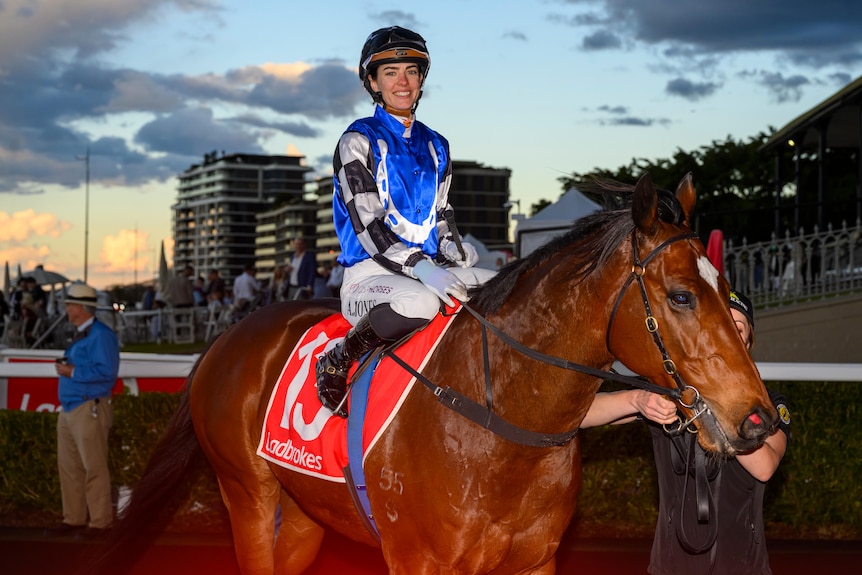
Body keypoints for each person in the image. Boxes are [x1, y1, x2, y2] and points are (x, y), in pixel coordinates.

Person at [316, 26, 495, 417]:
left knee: (502, 287)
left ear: (421, 80)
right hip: (370, 277)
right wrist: (422, 267)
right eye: (391, 72)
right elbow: (370, 228)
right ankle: (338, 357)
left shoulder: (438, 144)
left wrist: (456, 250)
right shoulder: (356, 140)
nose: (403, 81)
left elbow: (443, 218)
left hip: (427, 270)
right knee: (421, 301)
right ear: (373, 82)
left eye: (411, 71)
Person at [581, 290, 791, 575]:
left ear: (748, 341)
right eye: (721, 325)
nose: (728, 334)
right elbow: (582, 415)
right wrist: (638, 400)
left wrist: (724, 406)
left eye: (737, 328)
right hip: (671, 565)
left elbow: (765, 467)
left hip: (744, 567)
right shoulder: (672, 390)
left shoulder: (769, 403)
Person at [46, 283, 120, 539]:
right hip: (74, 408)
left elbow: (108, 374)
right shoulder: (86, 333)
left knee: (93, 466)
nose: (66, 309)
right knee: (70, 467)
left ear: (80, 308)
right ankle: (74, 517)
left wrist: (73, 371)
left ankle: (100, 522)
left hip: (89, 407)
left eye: (69, 305)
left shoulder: (100, 335)